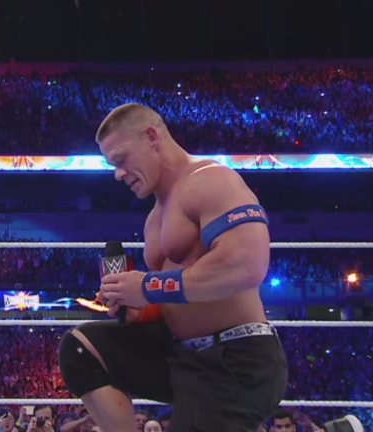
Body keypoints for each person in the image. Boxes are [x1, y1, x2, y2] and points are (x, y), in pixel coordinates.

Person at [58, 103, 288, 431]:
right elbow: (179, 294)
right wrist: (142, 308)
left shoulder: (211, 180)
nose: (117, 174)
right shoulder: (155, 217)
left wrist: (147, 287)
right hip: (182, 356)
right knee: (81, 348)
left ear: (152, 138)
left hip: (235, 358)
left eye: (121, 160)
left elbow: (246, 266)